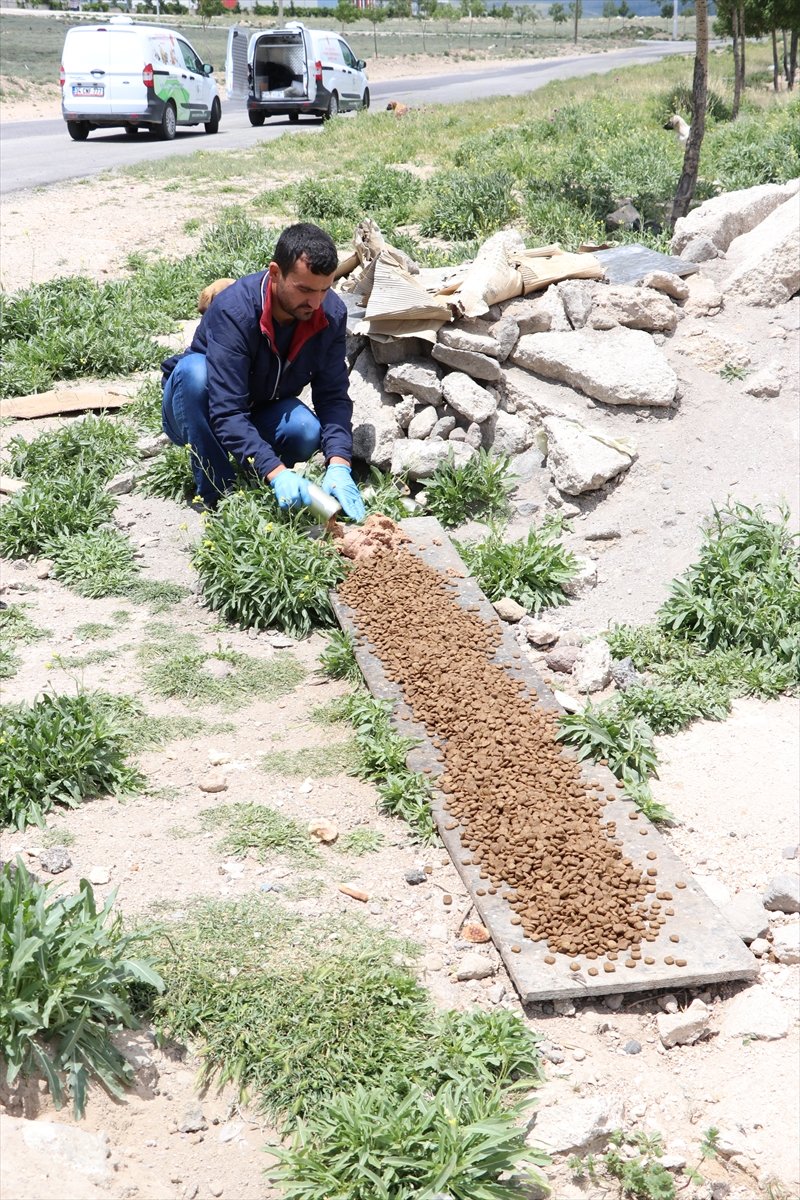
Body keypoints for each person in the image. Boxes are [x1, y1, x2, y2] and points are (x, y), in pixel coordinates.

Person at [161, 222, 365, 521]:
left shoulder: (329, 314)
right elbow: (226, 410)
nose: (315, 302)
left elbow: (333, 395)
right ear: (274, 273)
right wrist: (276, 471)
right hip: (195, 407)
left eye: (324, 289)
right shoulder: (235, 311)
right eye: (305, 289)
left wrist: (339, 462)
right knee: (195, 373)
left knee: (306, 432)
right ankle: (221, 497)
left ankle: (252, 461)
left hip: (258, 406)